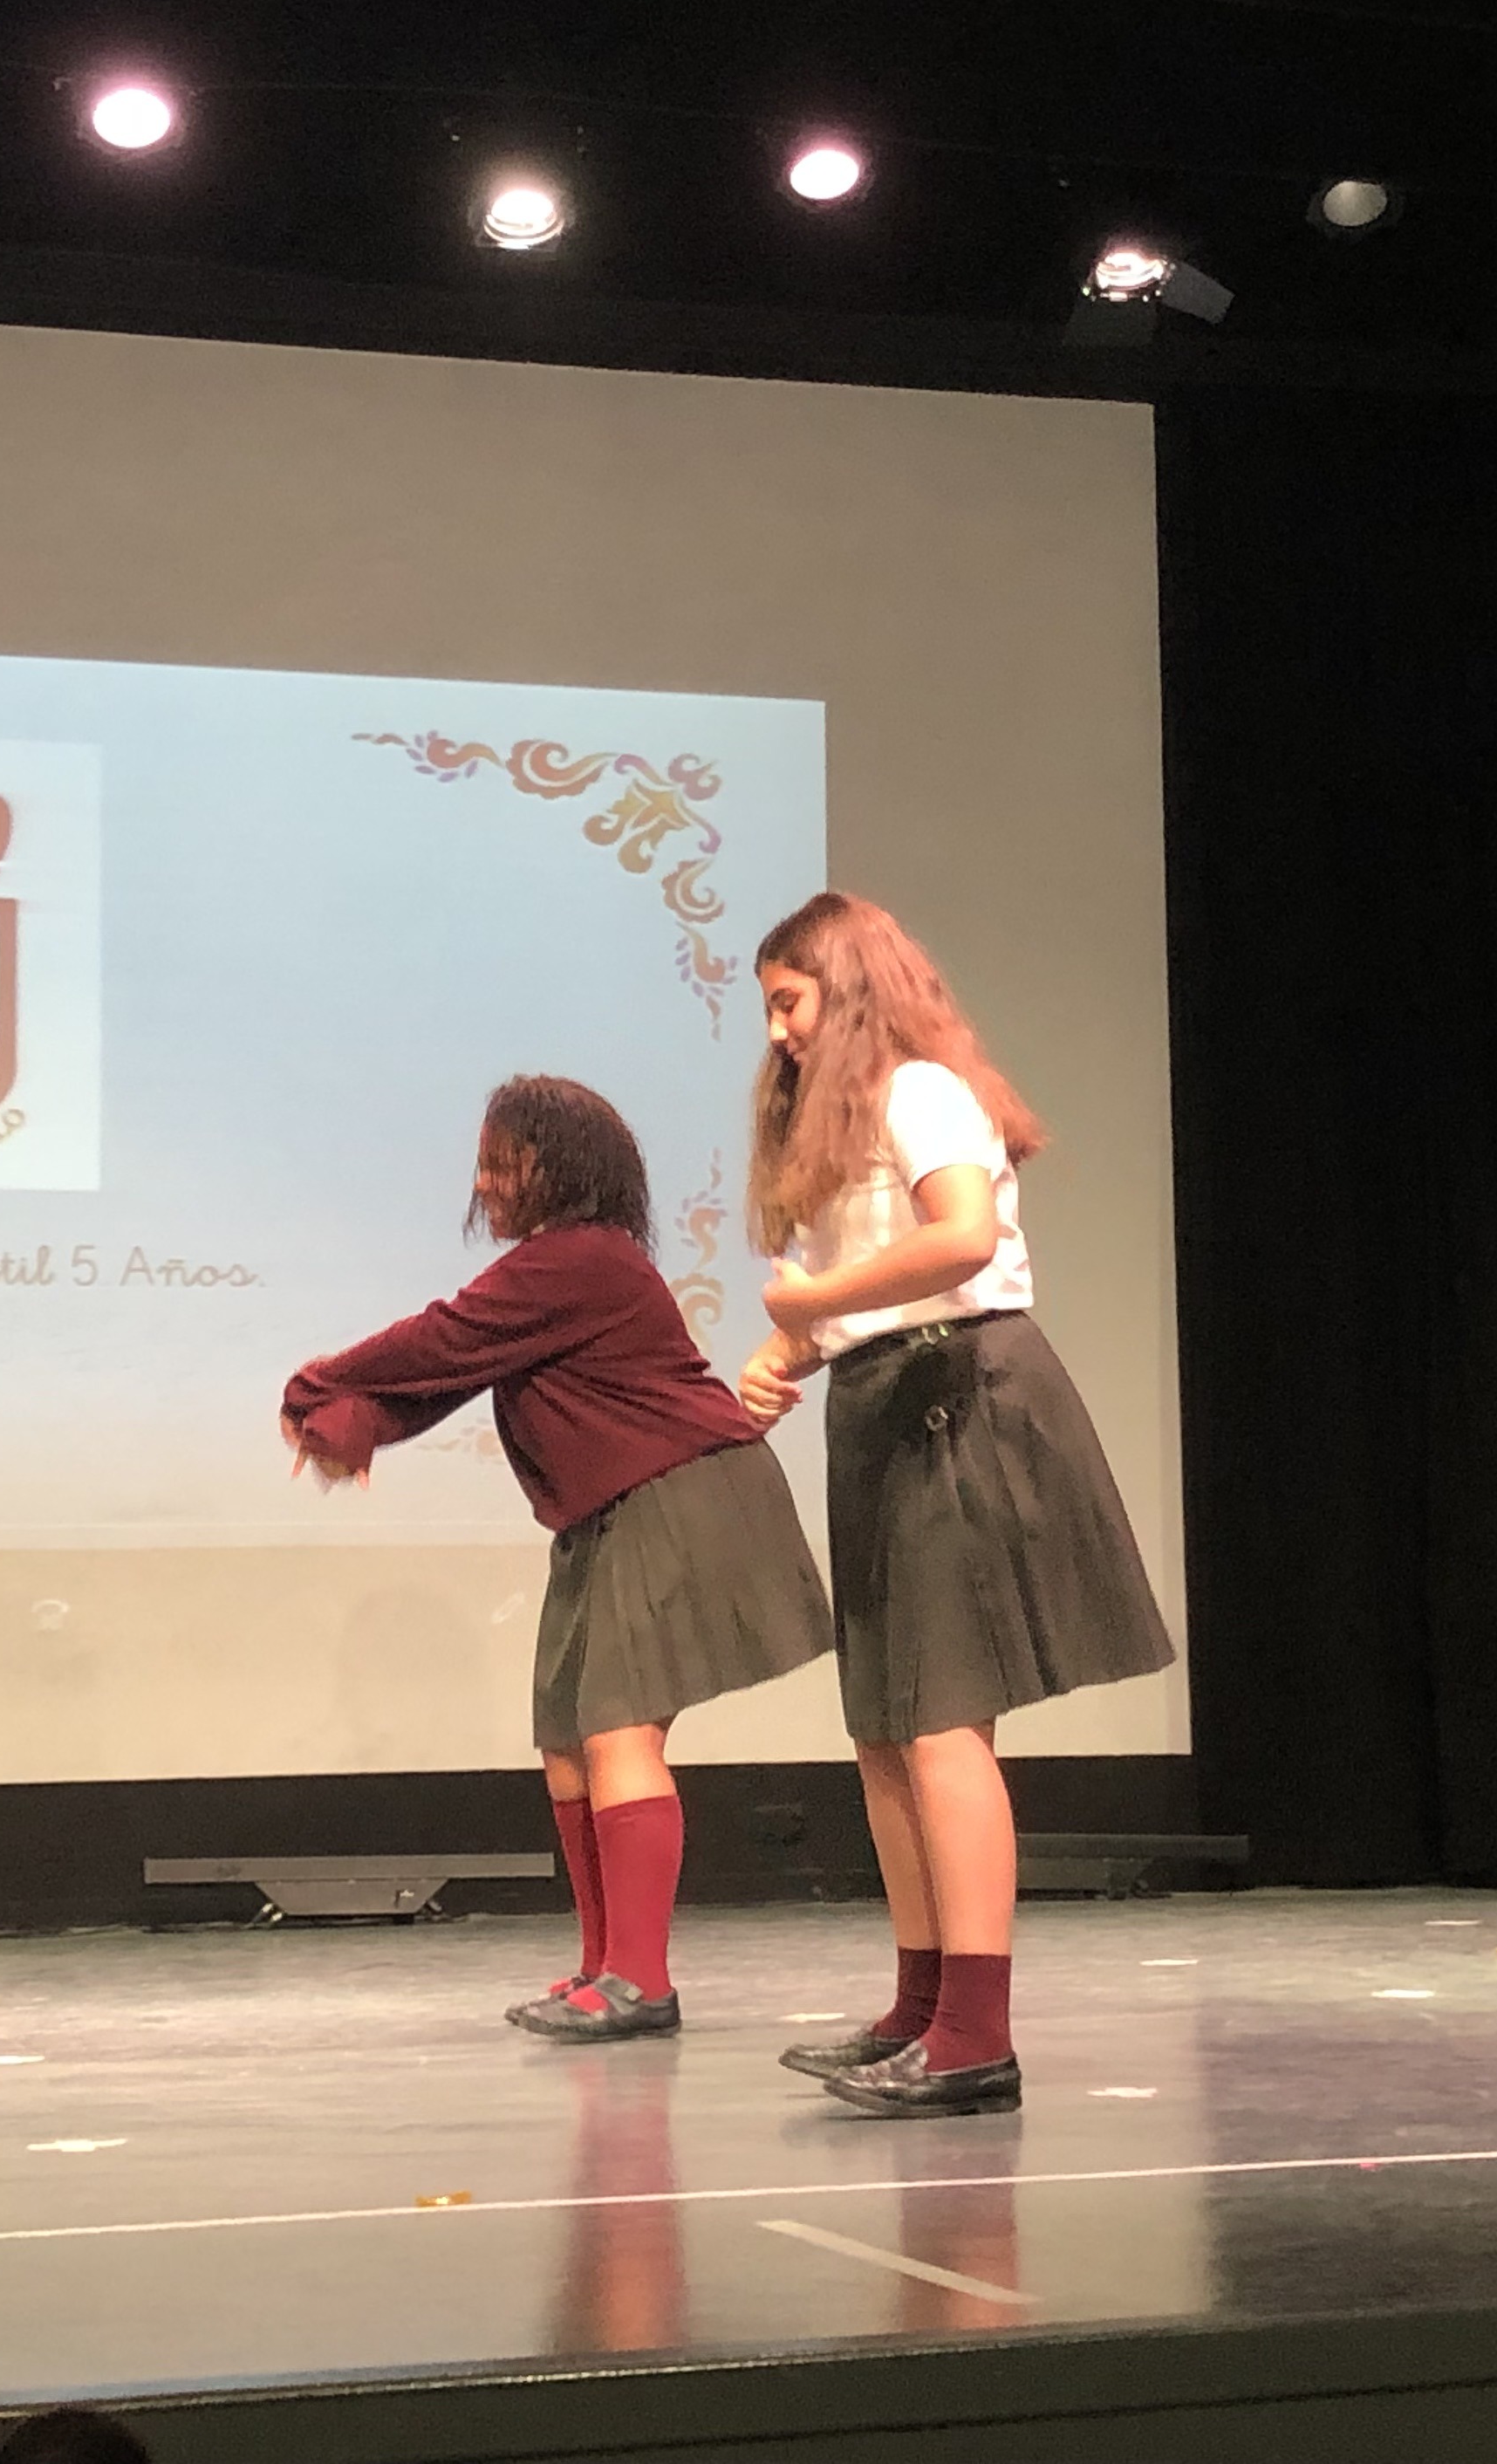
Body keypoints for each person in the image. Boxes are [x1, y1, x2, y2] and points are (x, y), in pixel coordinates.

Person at [738, 891, 1175, 2118]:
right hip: (886, 1396)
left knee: (941, 1721)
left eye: (789, 1001)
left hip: (958, 1394)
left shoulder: (921, 1088)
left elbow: (964, 1241)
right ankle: (922, 2005)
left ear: (847, 987)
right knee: (885, 1725)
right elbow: (863, 1288)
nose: (777, 1031)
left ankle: (975, 2036)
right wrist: (791, 1349)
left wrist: (809, 1305)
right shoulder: (844, 1121)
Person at [283, 1075, 831, 2039]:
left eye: (501, 1164)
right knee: (569, 1739)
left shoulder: (582, 1259)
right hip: (613, 1511)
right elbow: (453, 1372)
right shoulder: (562, 1271)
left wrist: (312, 1388)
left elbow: (441, 1339)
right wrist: (350, 1425)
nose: (482, 1184)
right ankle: (602, 1966)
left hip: (677, 1494)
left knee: (617, 1730)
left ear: (557, 1168)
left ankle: (640, 1981)